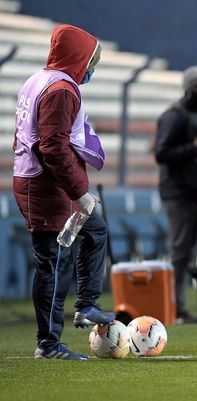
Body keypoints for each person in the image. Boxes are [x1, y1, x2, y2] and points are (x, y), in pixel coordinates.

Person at [12, 24, 115, 360]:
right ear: (78, 58)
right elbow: (53, 147)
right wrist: (80, 190)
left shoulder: (39, 79)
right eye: (90, 61)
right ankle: (49, 344)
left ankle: (86, 304)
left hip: (44, 180)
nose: (92, 69)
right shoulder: (62, 90)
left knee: (96, 232)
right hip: (44, 184)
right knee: (54, 263)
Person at [155, 66, 197, 323]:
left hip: (195, 191)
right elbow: (162, 153)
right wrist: (193, 147)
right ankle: (174, 308)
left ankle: (180, 306)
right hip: (177, 192)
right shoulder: (174, 116)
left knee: (187, 250)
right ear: (187, 90)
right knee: (180, 251)